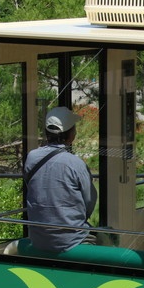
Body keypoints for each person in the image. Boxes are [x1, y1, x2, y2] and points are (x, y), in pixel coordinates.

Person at [23, 106, 97, 253]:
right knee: (107, 241)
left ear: (46, 133)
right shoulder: (76, 163)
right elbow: (89, 200)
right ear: (71, 135)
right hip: (71, 239)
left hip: (38, 238)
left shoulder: (31, 157)